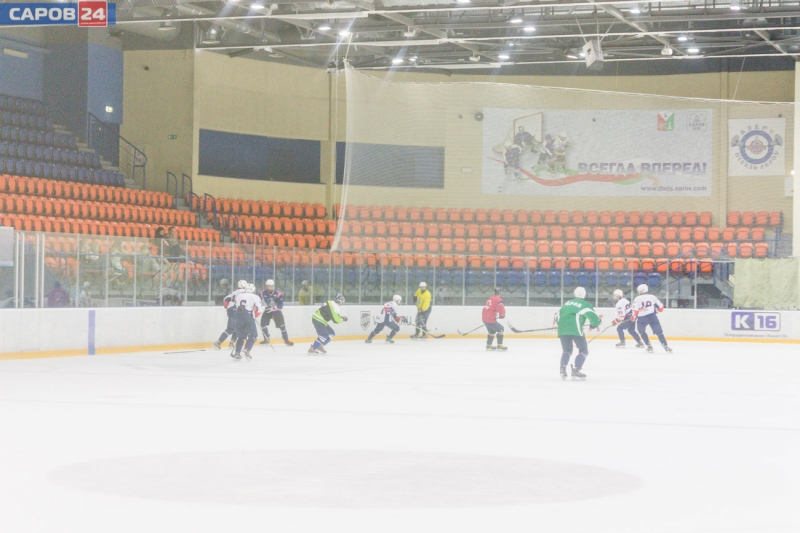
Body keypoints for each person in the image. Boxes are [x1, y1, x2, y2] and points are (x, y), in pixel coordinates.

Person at [555, 287, 602, 380]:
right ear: (584, 294)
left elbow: (558, 317)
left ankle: (562, 368)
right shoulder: (585, 304)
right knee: (583, 350)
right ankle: (576, 369)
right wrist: (595, 324)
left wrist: (562, 326)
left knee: (566, 350)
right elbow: (593, 317)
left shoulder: (567, 303)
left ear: (574, 294)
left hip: (562, 330)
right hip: (575, 329)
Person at [631, 284, 673, 353]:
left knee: (642, 332)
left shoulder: (637, 298)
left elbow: (635, 311)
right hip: (652, 317)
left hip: (642, 318)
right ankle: (665, 345)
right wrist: (656, 310)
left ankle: (649, 346)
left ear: (641, 290)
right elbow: (661, 308)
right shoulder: (652, 297)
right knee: (659, 332)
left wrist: (634, 317)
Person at [230, 283, 265, 361]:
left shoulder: (239, 296)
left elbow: (236, 306)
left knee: (241, 337)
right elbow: (259, 310)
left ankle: (237, 354)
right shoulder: (255, 297)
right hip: (248, 316)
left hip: (238, 316)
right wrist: (253, 316)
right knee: (253, 335)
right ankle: (246, 349)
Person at [213, 279, 248, 350]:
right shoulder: (245, 292)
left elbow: (226, 299)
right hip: (236, 310)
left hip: (232, 310)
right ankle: (218, 343)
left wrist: (226, 307)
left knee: (236, 327)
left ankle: (231, 343)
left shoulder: (234, 292)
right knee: (231, 328)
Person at [259, 279, 294, 346]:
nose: (268, 287)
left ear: (273, 286)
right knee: (262, 324)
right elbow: (257, 300)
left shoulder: (278, 293)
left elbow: (281, 304)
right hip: (268, 311)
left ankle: (286, 340)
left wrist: (275, 308)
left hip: (277, 312)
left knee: (282, 326)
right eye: (267, 286)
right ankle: (266, 339)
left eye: (270, 286)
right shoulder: (262, 293)